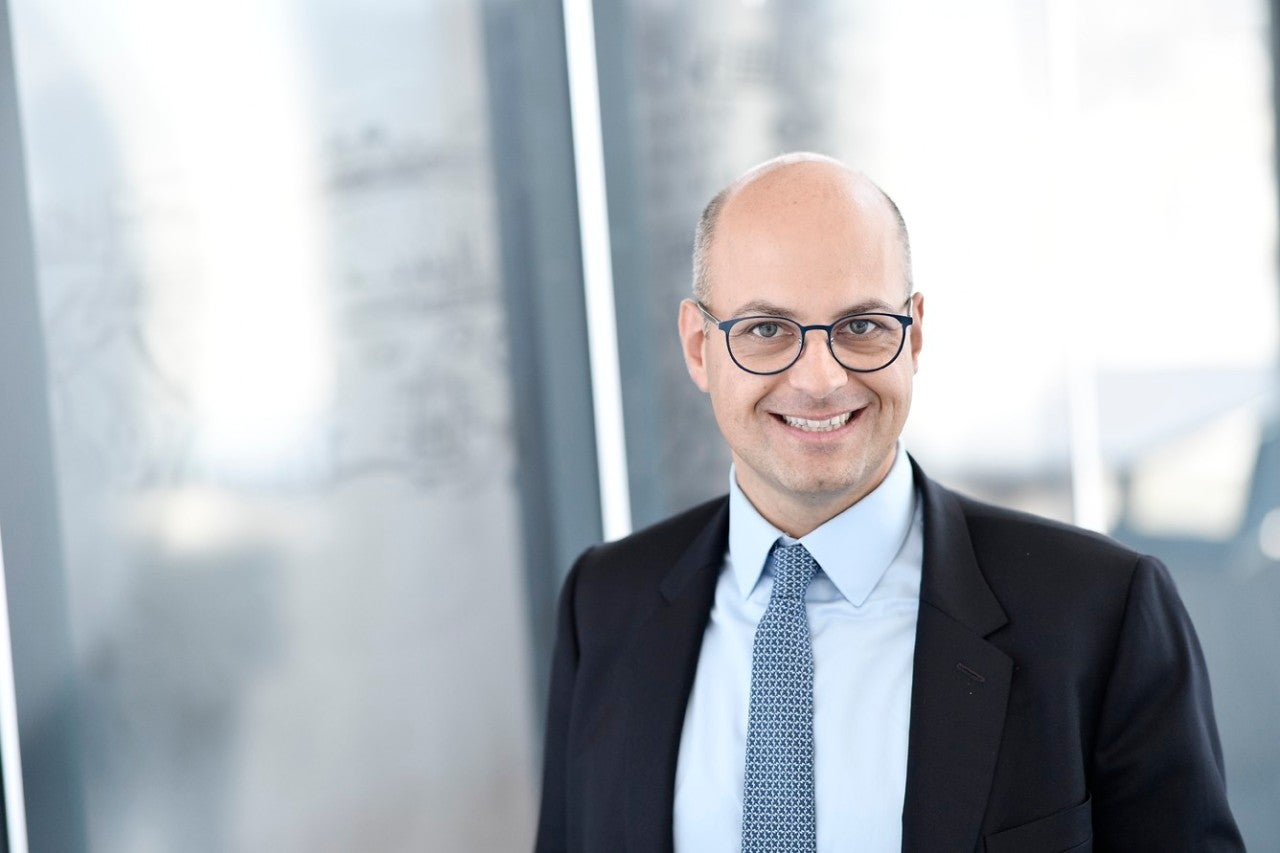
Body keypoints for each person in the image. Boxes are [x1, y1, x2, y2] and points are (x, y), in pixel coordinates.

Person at [534, 153, 1243, 852]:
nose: (819, 379)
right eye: (767, 330)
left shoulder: (1099, 611)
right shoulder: (603, 605)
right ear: (699, 347)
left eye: (862, 326)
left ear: (915, 334)